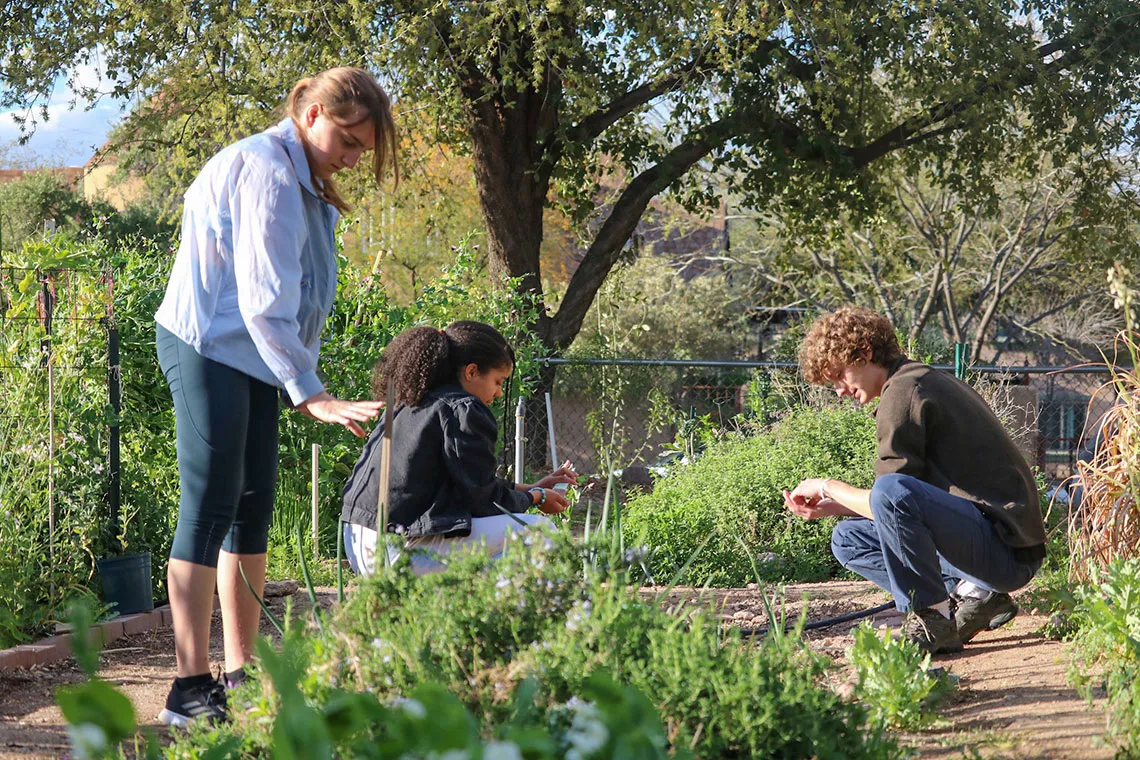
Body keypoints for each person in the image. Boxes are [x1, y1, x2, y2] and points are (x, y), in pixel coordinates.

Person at [154, 67, 398, 725]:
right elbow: (264, 302)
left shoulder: (304, 179)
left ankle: (240, 673)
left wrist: (298, 378)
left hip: (253, 355)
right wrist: (310, 392)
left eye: (359, 150)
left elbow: (292, 298)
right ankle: (188, 687)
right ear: (312, 112)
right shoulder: (266, 171)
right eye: (347, 141)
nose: (350, 158)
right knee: (209, 503)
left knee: (253, 505)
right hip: (209, 346)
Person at [784, 306, 1047, 654]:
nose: (839, 390)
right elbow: (902, 511)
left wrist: (827, 486)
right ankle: (978, 596)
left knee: (889, 491)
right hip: (988, 544)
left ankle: (932, 619)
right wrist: (837, 506)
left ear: (863, 352)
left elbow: (892, 495)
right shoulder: (914, 381)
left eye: (839, 376)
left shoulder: (904, 392)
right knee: (847, 538)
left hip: (1006, 553)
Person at [341, 321, 576, 576]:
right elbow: (482, 501)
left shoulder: (411, 403)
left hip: (359, 545)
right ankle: (485, 609)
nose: (498, 393)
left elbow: (470, 483)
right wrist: (537, 498)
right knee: (540, 533)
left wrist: (530, 489)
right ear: (472, 371)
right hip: (395, 554)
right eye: (498, 381)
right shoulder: (463, 409)